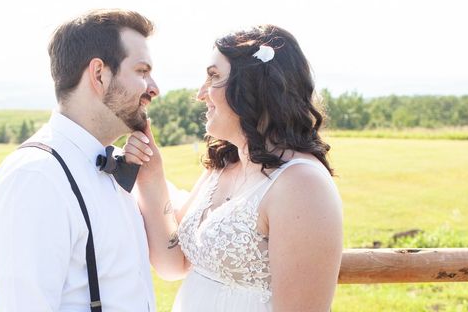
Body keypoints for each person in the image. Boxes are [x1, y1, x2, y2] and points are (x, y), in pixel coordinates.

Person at [124, 25, 343, 312]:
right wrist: (151, 174)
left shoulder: (302, 185)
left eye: (214, 77)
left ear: (254, 85)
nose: (201, 93)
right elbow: (173, 262)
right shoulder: (225, 165)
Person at [0, 9, 160, 311]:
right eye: (142, 72)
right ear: (99, 74)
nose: (154, 88)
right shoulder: (35, 177)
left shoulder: (118, 164)